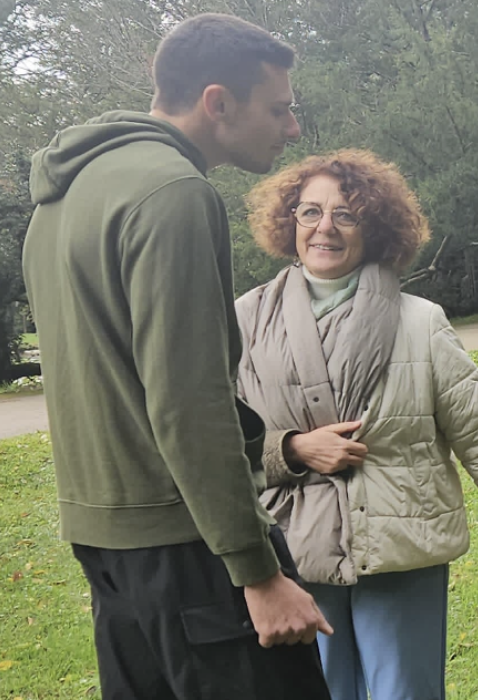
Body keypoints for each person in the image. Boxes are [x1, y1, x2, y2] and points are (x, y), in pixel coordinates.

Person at [20, 13, 331, 699]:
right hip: (190, 543)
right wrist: (255, 570)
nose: (292, 130)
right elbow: (189, 399)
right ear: (217, 102)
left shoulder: (64, 195)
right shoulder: (173, 193)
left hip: (107, 541)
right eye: (279, 109)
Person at [236, 149, 478, 700]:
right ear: (288, 220)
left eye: (347, 214)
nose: (325, 228)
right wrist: (291, 450)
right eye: (310, 212)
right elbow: (216, 437)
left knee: (403, 693)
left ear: (376, 226)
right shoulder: (245, 319)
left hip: (401, 544)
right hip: (293, 550)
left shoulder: (420, 321)